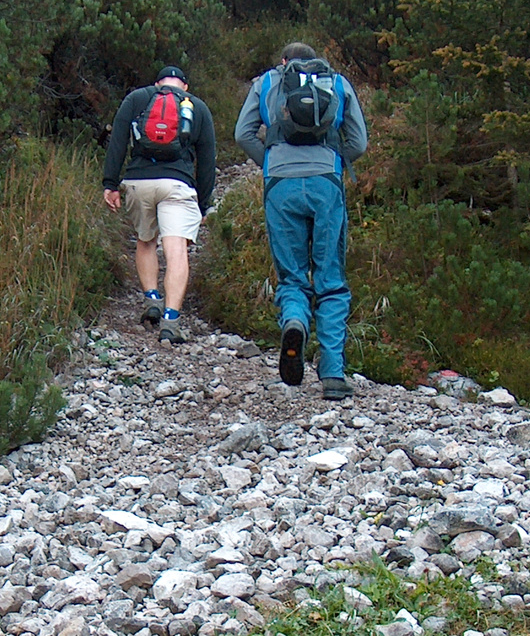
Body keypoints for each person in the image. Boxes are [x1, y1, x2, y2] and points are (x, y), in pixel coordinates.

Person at [234, 43, 368, 400]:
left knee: (292, 274)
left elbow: (242, 133)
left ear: (283, 61)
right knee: (331, 276)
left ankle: (295, 319)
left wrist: (269, 162)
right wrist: (335, 162)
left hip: (280, 185)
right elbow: (359, 141)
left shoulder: (266, 83)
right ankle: (333, 374)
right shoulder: (336, 83)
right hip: (326, 182)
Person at [101, 66, 217, 344]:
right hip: (178, 184)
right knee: (176, 251)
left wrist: (110, 183)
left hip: (139, 182)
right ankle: (171, 320)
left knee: (145, 241)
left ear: (157, 84)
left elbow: (118, 141)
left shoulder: (136, 99)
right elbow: (208, 160)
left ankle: (152, 298)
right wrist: (203, 202)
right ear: (184, 87)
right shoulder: (197, 107)